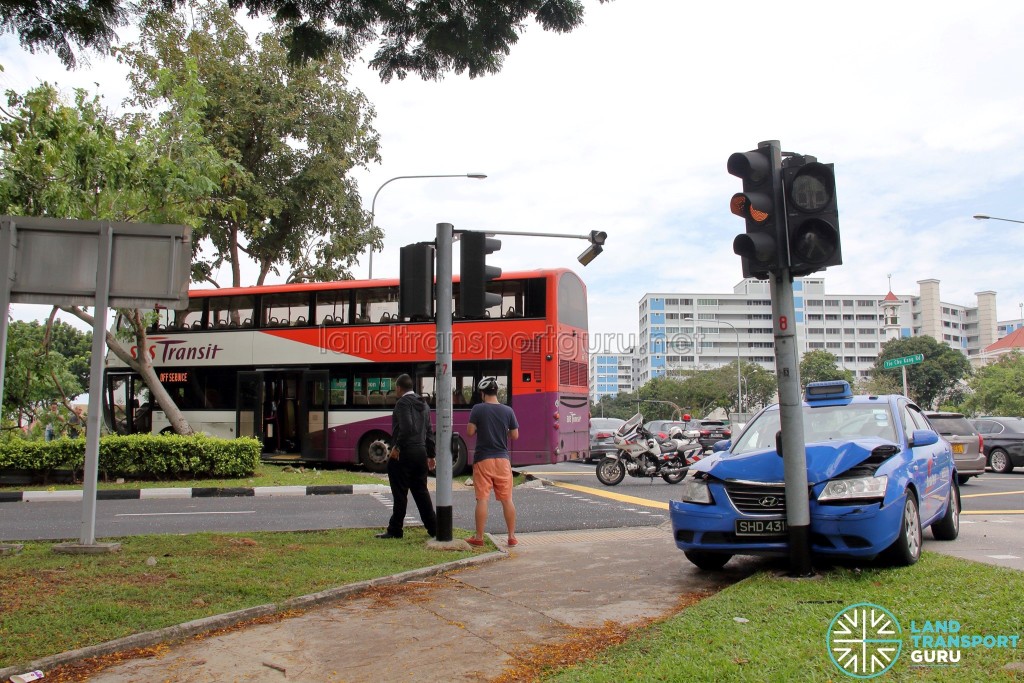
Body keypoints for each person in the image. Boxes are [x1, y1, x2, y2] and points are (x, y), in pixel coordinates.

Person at [376, 374, 437, 540]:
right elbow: (429, 431)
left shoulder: (402, 403)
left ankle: (395, 529)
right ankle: (434, 528)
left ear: (399, 388)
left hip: (405, 453)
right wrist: (431, 455)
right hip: (421, 452)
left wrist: (397, 447)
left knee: (400, 492)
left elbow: (407, 427)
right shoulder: (423, 404)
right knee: (421, 491)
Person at [466, 377, 519, 547]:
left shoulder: (478, 409)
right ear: (497, 392)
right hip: (503, 460)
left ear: (482, 393)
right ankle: (511, 536)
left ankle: (479, 537)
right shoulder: (508, 411)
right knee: (507, 499)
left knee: (482, 499)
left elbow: (470, 432)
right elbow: (515, 435)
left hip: (483, 459)